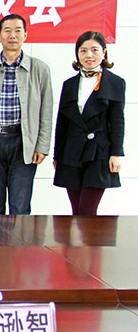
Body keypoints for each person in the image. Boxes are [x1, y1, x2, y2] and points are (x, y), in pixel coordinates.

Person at [0, 14, 53, 215]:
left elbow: (46, 112)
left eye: (18, 30)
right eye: (7, 30)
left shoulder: (40, 69)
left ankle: (19, 239)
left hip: (24, 142)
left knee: (20, 207)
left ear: (25, 35)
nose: (12, 35)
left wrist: (42, 146)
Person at [53, 31, 124, 215]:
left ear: (104, 52)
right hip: (71, 152)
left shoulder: (115, 82)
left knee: (87, 212)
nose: (89, 55)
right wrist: (57, 155)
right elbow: (62, 123)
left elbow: (117, 120)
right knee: (76, 213)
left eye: (94, 50)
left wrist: (117, 153)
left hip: (99, 152)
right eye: (83, 50)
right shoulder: (69, 84)